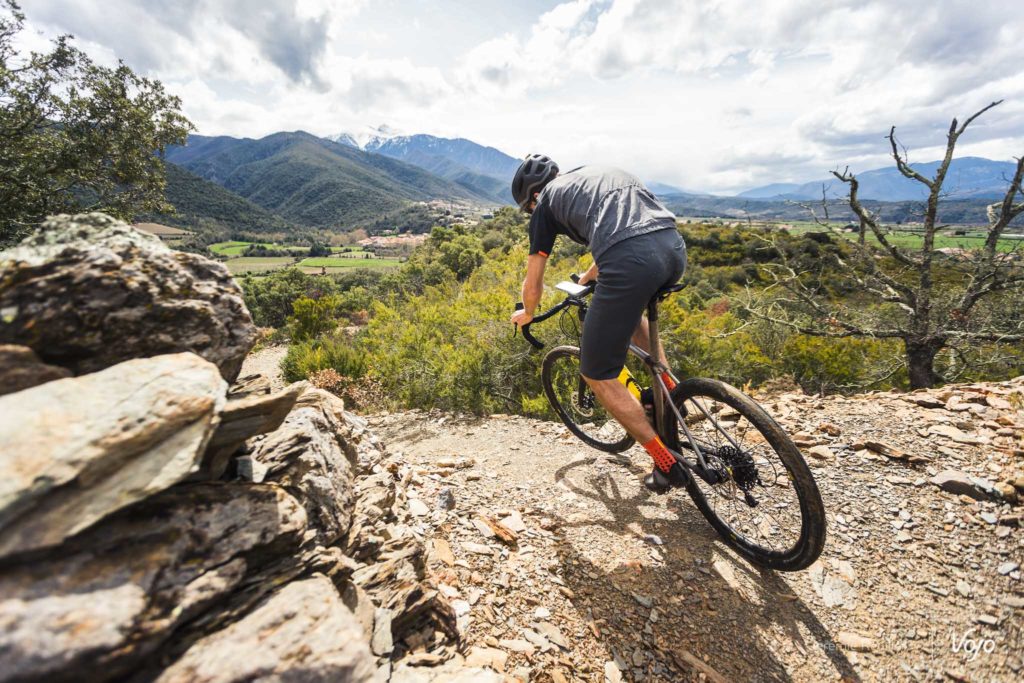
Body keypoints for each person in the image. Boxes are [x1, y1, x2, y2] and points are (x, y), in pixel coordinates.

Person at [509, 153, 690, 493]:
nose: (533, 213)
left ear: (533, 196)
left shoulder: (546, 203)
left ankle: (667, 464)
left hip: (630, 259)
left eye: (529, 208)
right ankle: (668, 394)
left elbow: (533, 282)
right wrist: (587, 277)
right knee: (633, 314)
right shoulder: (595, 174)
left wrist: (527, 312)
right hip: (672, 249)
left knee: (597, 372)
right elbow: (621, 231)